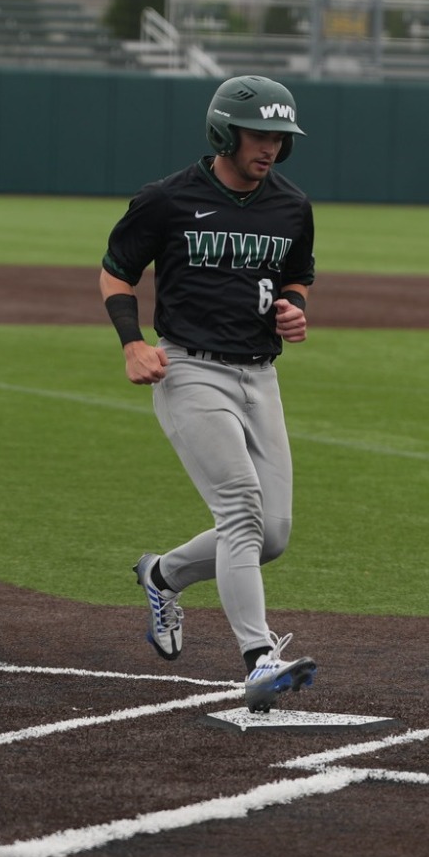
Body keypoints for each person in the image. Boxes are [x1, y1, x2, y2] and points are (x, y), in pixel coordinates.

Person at [98, 74, 319, 713]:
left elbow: (296, 278)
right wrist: (132, 343)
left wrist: (293, 310)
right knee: (242, 508)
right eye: (259, 134)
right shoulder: (167, 199)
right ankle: (259, 660)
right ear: (225, 132)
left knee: (271, 535)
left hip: (261, 376)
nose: (271, 147)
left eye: (280, 136)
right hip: (189, 370)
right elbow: (116, 274)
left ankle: (162, 574)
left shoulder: (292, 205)